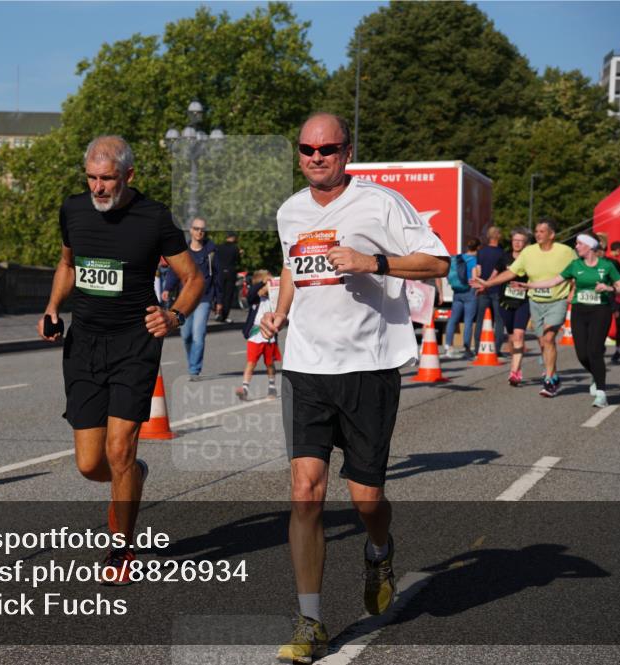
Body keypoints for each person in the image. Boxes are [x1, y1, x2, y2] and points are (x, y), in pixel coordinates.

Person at [260, 113, 449, 663]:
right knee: (305, 490)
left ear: (348, 151)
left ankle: (379, 549)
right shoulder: (289, 210)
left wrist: (376, 261)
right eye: (307, 148)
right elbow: (293, 266)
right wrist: (280, 311)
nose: (316, 156)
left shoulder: (381, 203)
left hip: (368, 367)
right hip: (306, 367)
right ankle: (311, 621)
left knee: (366, 500)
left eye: (328, 148)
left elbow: (439, 260)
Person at [39, 135, 202, 583]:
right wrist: (53, 308)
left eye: (107, 178)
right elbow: (68, 264)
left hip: (135, 342)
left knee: (119, 449)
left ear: (128, 175)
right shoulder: (73, 210)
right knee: (91, 463)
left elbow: (192, 278)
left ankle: (122, 548)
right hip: (85, 344)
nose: (98, 188)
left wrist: (174, 316)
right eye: (91, 178)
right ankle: (133, 474)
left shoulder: (153, 218)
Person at [517, 232, 620, 408]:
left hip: (601, 311)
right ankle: (597, 375)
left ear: (589, 246)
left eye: (579, 244)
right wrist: (527, 285)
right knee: (582, 354)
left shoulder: (607, 266)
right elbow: (553, 282)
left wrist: (608, 287)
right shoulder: (575, 265)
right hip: (579, 311)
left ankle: (601, 394)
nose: (576, 247)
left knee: (595, 350)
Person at [474, 218, 576, 398]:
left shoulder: (565, 252)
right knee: (543, 341)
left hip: (557, 300)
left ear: (551, 235)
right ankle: (554, 373)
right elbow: (512, 272)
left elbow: (577, 271)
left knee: (549, 336)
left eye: (542, 231)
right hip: (535, 301)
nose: (538, 234)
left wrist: (573, 292)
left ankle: (550, 380)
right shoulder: (529, 252)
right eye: (536, 231)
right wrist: (489, 283)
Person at [163, 217, 221, 379]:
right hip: (186, 298)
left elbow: (217, 277)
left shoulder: (211, 251)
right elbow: (175, 271)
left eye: (202, 229)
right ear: (190, 230)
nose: (199, 232)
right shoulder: (184, 251)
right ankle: (192, 363)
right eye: (196, 228)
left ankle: (194, 369)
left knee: (198, 335)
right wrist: (167, 288)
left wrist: (219, 300)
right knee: (186, 335)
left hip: (204, 298)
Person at [491, 228, 532, 386]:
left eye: (520, 240)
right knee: (511, 336)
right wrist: (484, 285)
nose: (517, 243)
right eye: (515, 240)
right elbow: (495, 275)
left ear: (525, 243)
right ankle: (515, 366)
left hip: (524, 302)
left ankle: (515, 371)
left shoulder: (529, 258)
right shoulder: (504, 257)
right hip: (505, 302)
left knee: (519, 335)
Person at [235, 269, 280, 401]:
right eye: (268, 283)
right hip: (255, 336)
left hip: (269, 336)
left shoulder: (273, 300)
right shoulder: (255, 299)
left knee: (270, 363)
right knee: (251, 362)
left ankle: (272, 386)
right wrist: (261, 283)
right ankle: (245, 388)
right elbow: (251, 293)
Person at [443, 236, 481, 360]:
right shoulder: (473, 260)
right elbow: (475, 277)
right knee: (468, 320)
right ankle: (467, 348)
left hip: (457, 291)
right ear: (477, 248)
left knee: (453, 319)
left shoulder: (457, 257)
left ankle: (448, 345)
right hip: (469, 292)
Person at [473, 226, 506, 355]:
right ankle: (496, 349)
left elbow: (478, 270)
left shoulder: (481, 252)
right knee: (499, 319)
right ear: (498, 236)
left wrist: (479, 284)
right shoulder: (501, 253)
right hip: (497, 289)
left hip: (482, 289)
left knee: (480, 319)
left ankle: (477, 348)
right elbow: (500, 272)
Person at [216, 230, 242, 323]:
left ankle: (217, 312)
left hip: (219, 272)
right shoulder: (235, 248)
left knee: (219, 292)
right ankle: (224, 315)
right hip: (230, 273)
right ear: (233, 238)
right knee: (228, 295)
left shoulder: (219, 247)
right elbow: (238, 261)